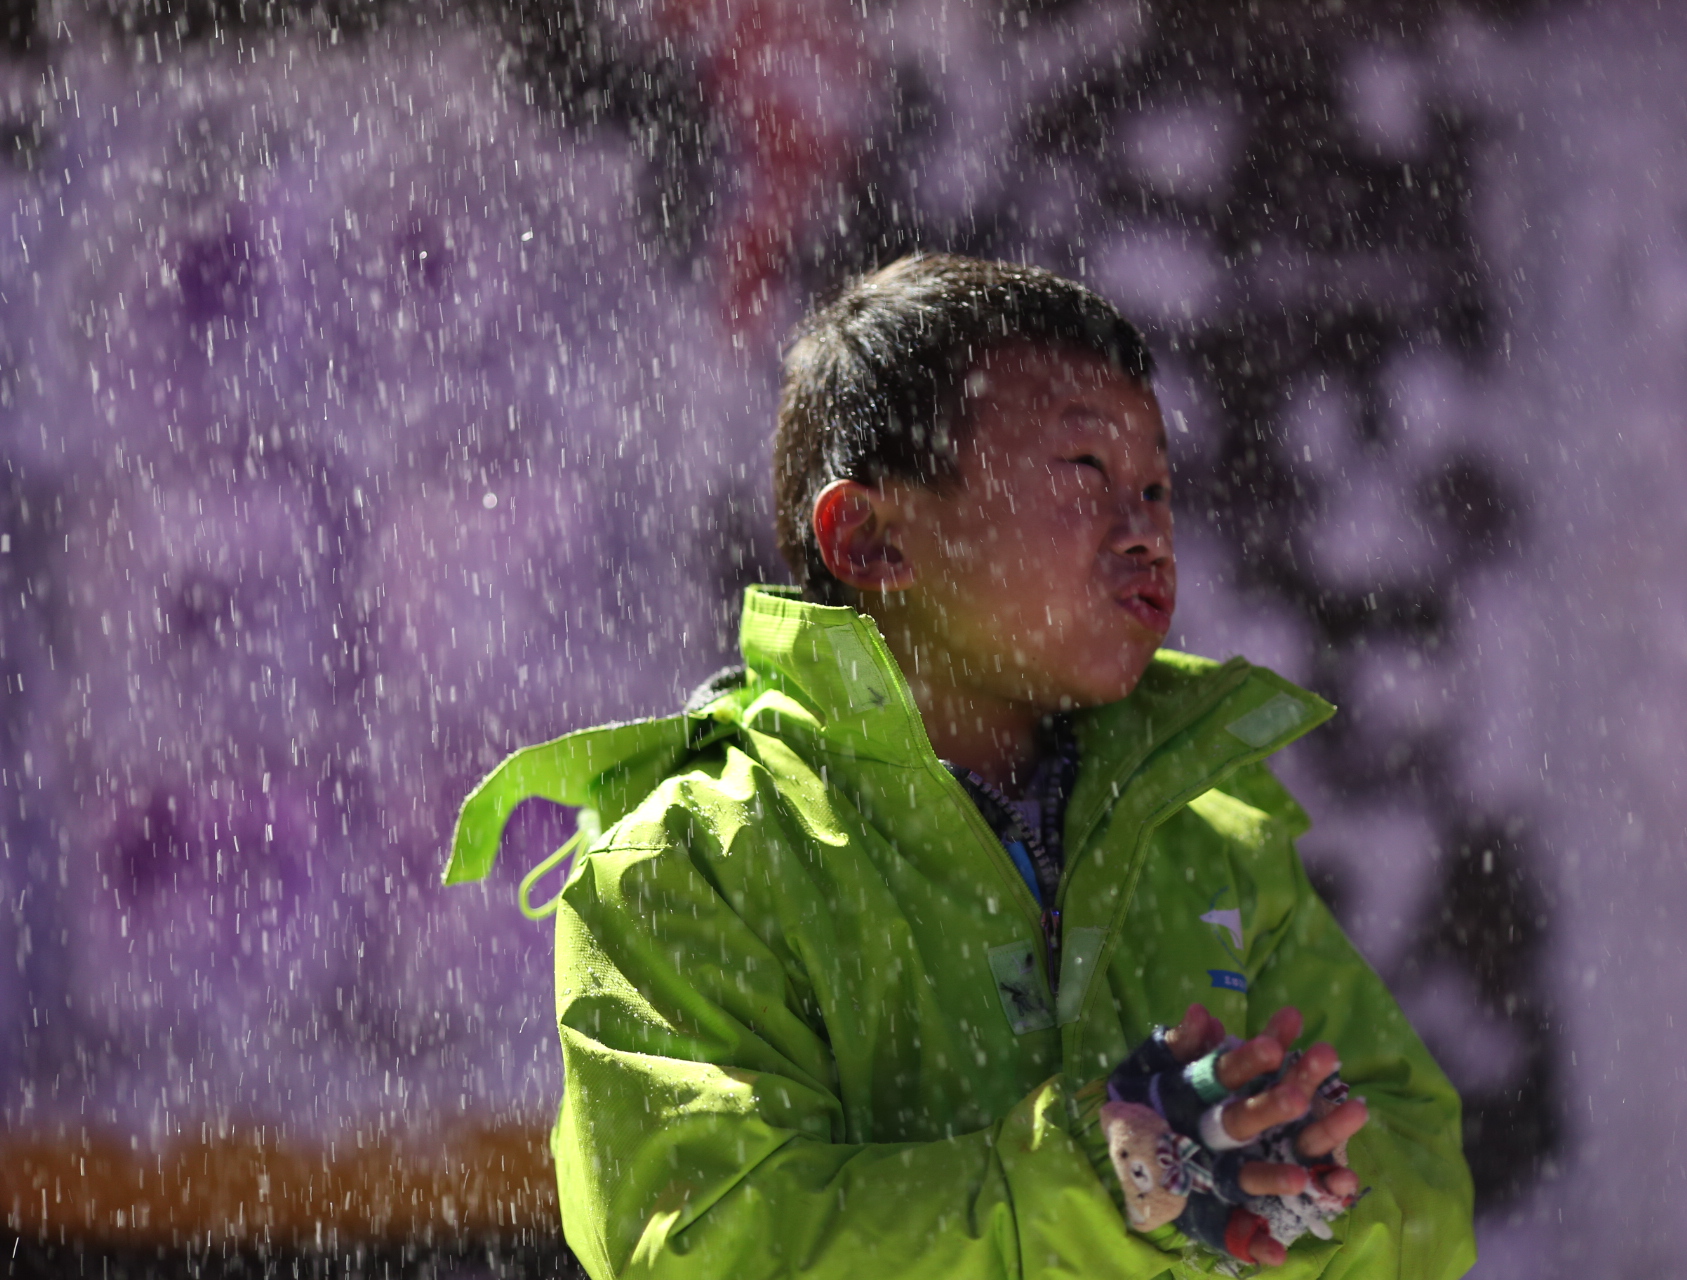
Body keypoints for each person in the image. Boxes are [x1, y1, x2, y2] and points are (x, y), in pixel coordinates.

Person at [444, 253, 1475, 1278]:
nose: (1147, 528)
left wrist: (1288, 1191)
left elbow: (1420, 1181)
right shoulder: (694, 861)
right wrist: (1099, 1184)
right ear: (872, 537)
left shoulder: (1207, 831)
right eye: (1085, 473)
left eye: (1158, 482)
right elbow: (710, 1244)